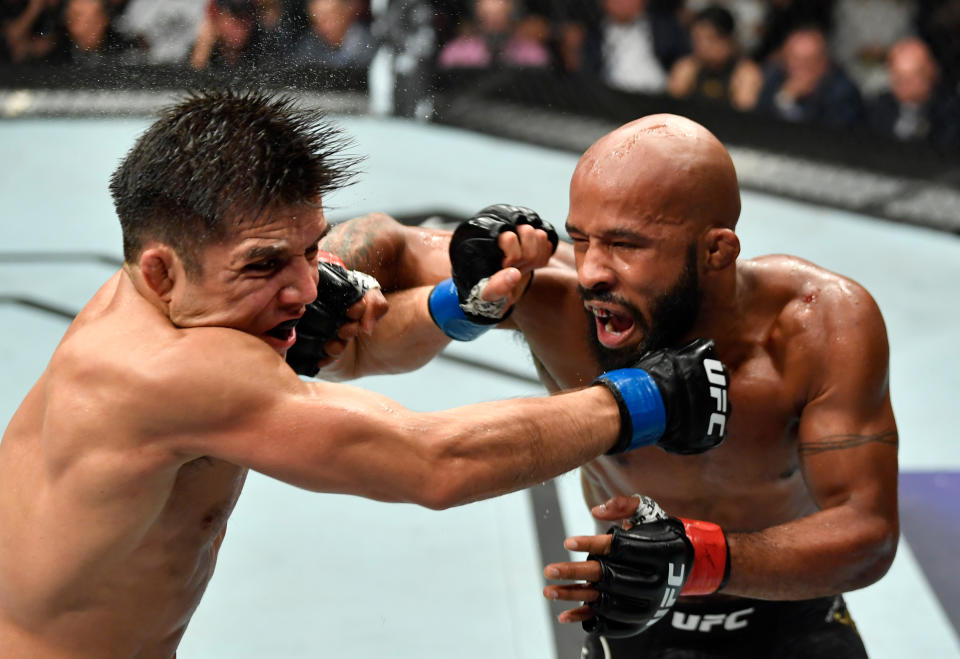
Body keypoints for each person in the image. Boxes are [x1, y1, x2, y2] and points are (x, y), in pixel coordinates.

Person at [0, 90, 730, 657]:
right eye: (266, 264)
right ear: (161, 268)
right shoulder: (170, 372)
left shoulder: (196, 300)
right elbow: (432, 461)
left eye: (310, 250)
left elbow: (357, 350)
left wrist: (457, 305)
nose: (307, 289)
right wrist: (647, 396)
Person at [315, 113, 899, 658]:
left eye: (625, 245)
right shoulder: (559, 299)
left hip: (793, 615)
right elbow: (377, 239)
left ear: (716, 250)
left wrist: (700, 558)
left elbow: (867, 533)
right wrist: (339, 279)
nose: (593, 270)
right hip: (631, 621)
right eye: (583, 238)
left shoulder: (818, 325)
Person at [755, 26, 864, 129]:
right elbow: (760, 121)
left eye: (809, 60)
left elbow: (821, 137)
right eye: (794, 58)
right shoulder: (775, 77)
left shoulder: (843, 93)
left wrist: (785, 102)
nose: (801, 66)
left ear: (824, 63)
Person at [867, 37, 960, 150]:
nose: (904, 85)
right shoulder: (880, 106)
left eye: (911, 78)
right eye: (898, 77)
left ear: (931, 73)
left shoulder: (950, 112)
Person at [667, 4, 762, 111]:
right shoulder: (687, 67)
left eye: (710, 39)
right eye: (697, 39)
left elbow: (745, 115)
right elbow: (672, 108)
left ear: (728, 40)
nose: (702, 47)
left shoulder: (745, 72)